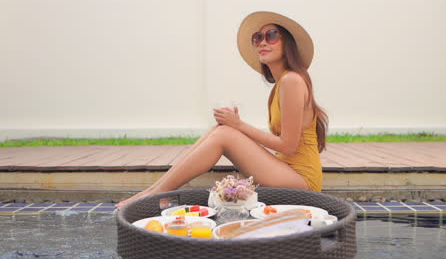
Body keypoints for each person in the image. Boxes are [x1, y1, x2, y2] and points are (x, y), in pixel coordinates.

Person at [116, 11, 328, 210]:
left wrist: (238, 125)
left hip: (302, 181)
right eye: (258, 37)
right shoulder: (281, 84)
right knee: (220, 130)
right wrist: (235, 125)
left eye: (272, 35)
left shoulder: (292, 80)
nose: (263, 41)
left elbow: (288, 146)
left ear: (288, 44)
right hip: (287, 170)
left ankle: (155, 194)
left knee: (226, 133)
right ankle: (153, 191)